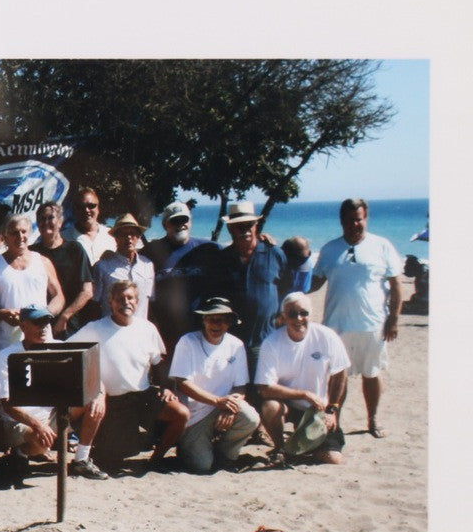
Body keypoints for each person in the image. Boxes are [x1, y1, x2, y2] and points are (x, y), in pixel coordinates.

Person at [71, 280, 189, 473]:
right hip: (112, 403)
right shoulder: (95, 328)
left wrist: (166, 387)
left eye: (130, 298)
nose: (125, 302)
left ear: (137, 301)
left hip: (142, 398)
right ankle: (88, 456)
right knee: (113, 459)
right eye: (120, 299)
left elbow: (158, 363)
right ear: (111, 302)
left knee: (181, 414)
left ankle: (155, 459)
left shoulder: (147, 328)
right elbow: (69, 351)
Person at [311, 198, 403, 439]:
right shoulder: (330, 249)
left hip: (372, 325)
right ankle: (335, 421)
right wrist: (288, 282)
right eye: (350, 220)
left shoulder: (381, 246)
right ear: (342, 221)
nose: (355, 224)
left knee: (371, 373)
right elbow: (315, 281)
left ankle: (372, 419)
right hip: (336, 326)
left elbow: (396, 284)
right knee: (337, 376)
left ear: (366, 219)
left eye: (359, 219)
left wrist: (393, 318)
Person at [182, 200, 287, 369]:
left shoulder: (274, 254)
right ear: (230, 229)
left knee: (264, 392)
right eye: (239, 226)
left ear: (256, 225)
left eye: (249, 224)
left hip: (268, 341)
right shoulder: (222, 259)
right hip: (231, 344)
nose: (245, 229)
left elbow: (287, 287)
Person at [255, 292, 350, 465]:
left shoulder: (327, 336)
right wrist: (304, 394)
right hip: (289, 404)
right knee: (270, 406)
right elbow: (265, 388)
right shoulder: (271, 343)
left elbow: (340, 373)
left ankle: (301, 448)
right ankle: (280, 447)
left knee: (334, 459)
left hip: (318, 407)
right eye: (292, 314)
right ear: (283, 316)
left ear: (310, 314)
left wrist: (332, 410)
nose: (298, 318)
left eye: (303, 313)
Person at [167, 297, 260, 473]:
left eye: (223, 320)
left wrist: (229, 407)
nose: (217, 324)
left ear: (230, 323)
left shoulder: (236, 345)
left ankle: (225, 455)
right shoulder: (187, 342)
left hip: (222, 407)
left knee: (251, 418)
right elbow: (183, 383)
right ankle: (190, 446)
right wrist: (217, 401)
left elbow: (240, 387)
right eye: (212, 318)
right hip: (195, 414)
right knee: (201, 466)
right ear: (203, 319)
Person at [0, 306, 89, 478]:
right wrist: (38, 425)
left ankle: (82, 460)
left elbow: (89, 376)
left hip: (51, 415)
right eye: (38, 322)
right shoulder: (7, 355)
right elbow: (7, 405)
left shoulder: (60, 348)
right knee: (41, 440)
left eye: (46, 321)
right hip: (20, 421)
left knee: (94, 400)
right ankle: (20, 452)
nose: (44, 327)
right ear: (23, 326)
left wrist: (98, 393)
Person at [0, 212, 64, 355]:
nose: (20, 237)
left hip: (42, 341)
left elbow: (59, 296)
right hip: (6, 345)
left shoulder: (43, 262)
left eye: (23, 231)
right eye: (14, 232)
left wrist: (42, 316)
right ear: (4, 236)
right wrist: (2, 313)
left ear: (30, 233)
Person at [143, 201, 216, 351]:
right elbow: (128, 262)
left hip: (201, 332)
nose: (180, 224)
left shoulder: (208, 249)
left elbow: (238, 253)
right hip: (165, 334)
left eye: (184, 220)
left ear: (191, 222)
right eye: (174, 220)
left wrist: (261, 240)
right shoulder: (150, 251)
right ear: (165, 225)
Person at [31, 200, 95, 339]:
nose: (46, 222)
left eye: (50, 218)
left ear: (60, 221)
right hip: (38, 328)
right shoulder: (32, 253)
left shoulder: (75, 250)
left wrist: (65, 316)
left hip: (71, 327)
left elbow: (87, 291)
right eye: (42, 219)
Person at [91, 213, 155, 321]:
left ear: (138, 236)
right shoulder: (102, 267)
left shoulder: (148, 265)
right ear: (116, 238)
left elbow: (151, 301)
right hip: (111, 332)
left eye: (132, 233)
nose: (128, 237)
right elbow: (94, 304)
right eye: (123, 234)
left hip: (140, 331)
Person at [63, 186, 116, 266]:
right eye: (81, 207)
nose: (86, 210)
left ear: (98, 208)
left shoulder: (112, 235)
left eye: (91, 206)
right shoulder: (63, 238)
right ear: (75, 210)